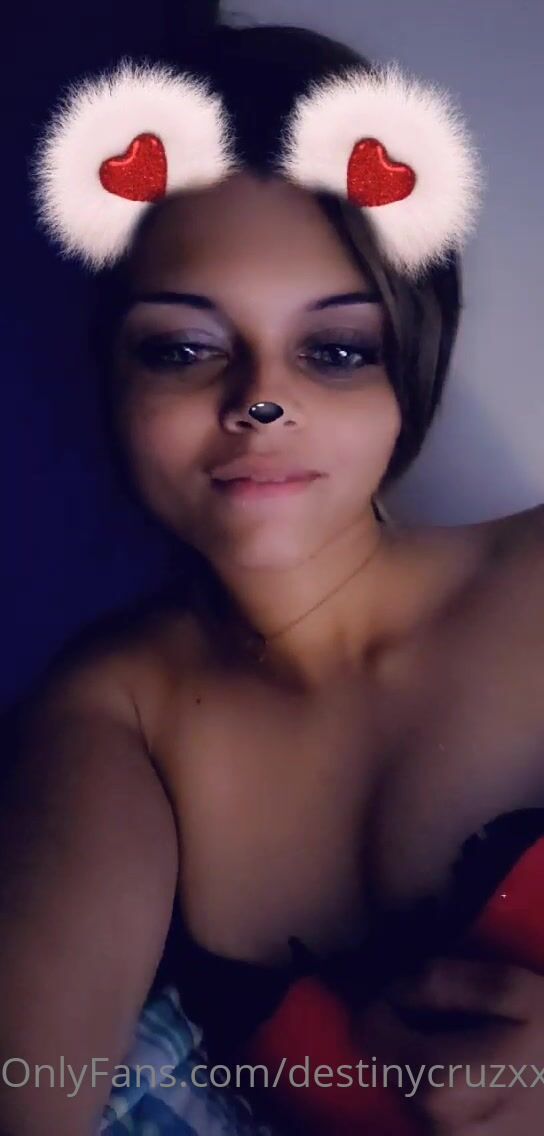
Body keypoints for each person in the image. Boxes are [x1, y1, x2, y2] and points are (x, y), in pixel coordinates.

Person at [1, 6, 543, 1135]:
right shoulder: (112, 714)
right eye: (184, 347)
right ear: (110, 377)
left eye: (334, 349)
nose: (260, 401)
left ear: (410, 365)